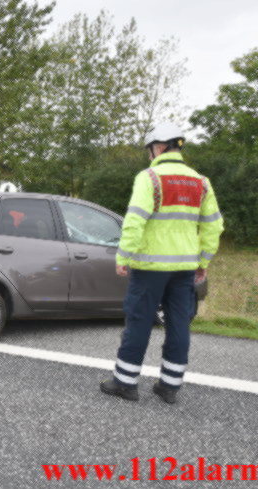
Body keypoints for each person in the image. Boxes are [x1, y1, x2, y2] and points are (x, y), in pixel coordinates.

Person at [100, 122, 224, 404]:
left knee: (139, 321)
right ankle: (169, 387)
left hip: (149, 267)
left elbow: (135, 220)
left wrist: (124, 255)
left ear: (158, 147)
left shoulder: (150, 178)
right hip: (184, 268)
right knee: (179, 323)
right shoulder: (201, 182)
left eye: (150, 149)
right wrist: (204, 259)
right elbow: (214, 226)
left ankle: (126, 382)